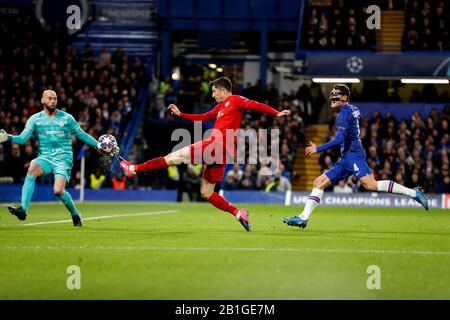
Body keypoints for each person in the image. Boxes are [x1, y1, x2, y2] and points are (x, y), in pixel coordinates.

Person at [120, 77, 291, 231]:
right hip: (221, 152)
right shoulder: (220, 107)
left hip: (216, 145)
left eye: (215, 92)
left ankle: (133, 168)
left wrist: (276, 112)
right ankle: (239, 213)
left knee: (173, 157)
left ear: (224, 90)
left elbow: (255, 104)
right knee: (206, 192)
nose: (213, 95)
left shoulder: (236, 100)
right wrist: (181, 114)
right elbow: (203, 117)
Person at [282, 84, 430, 229]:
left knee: (371, 184)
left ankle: (414, 193)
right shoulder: (352, 109)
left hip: (353, 155)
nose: (332, 97)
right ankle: (303, 218)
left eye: (335, 95)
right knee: (318, 182)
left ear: (345, 97)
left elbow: (339, 139)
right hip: (347, 156)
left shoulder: (343, 114)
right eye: (332, 94)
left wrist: (317, 149)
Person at [0, 90, 116, 226]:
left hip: (63, 158)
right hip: (45, 157)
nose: (53, 101)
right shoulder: (35, 119)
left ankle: (75, 213)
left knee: (58, 191)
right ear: (42, 100)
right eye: (49, 98)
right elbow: (22, 139)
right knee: (32, 169)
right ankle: (23, 210)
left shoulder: (67, 118)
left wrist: (98, 146)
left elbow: (82, 134)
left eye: (54, 98)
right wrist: (7, 137)